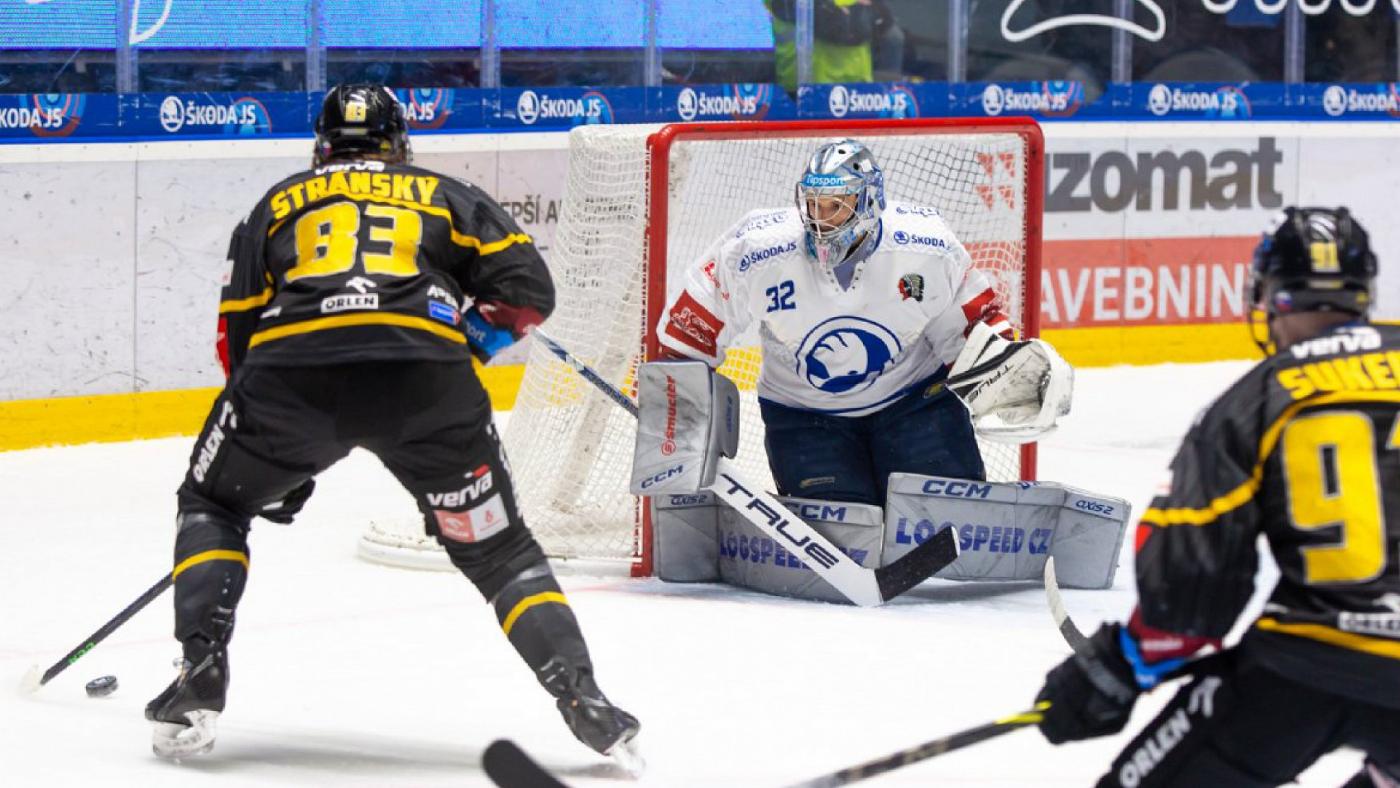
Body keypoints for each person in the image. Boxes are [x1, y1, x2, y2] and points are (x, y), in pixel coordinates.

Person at [145, 84, 640, 763]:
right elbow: (529, 292)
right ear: (400, 143)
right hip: (427, 385)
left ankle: (199, 671)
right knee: (501, 551)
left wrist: (270, 457)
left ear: (322, 146)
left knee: (212, 505)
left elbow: (238, 334)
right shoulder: (446, 195)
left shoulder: (278, 202)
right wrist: (464, 347)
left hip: (292, 380)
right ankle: (584, 697)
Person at [1034, 207, 1400, 787]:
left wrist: (1118, 666)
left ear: (1267, 294)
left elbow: (1192, 592)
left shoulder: (1255, 399)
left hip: (1303, 670)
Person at [655, 139, 1070, 506]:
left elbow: (968, 331)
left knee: (943, 517)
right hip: (803, 416)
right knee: (842, 531)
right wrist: (677, 409)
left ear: (869, 202)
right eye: (813, 205)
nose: (820, 219)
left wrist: (1009, 375)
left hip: (915, 403)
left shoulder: (926, 247)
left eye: (835, 206)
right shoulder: (756, 249)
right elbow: (688, 334)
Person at [766, 0, 875, 94]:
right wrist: (856, 16)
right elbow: (822, 19)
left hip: (859, 86)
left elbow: (879, 19)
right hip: (807, 82)